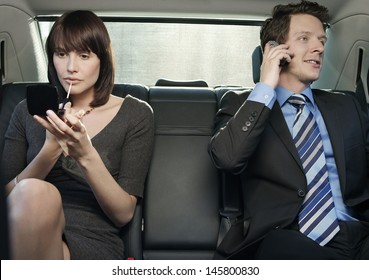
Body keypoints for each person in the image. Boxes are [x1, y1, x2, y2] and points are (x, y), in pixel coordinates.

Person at [209, 0, 369, 259]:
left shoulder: (346, 104)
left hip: (357, 236)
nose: (318, 48)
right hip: (285, 237)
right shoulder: (242, 104)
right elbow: (227, 158)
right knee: (284, 247)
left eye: (321, 40)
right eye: (304, 38)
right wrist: (265, 87)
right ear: (273, 50)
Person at [1, 10, 154, 259]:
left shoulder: (135, 114)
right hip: (23, 233)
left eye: (84, 56)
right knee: (34, 192)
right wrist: (50, 150)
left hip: (91, 239)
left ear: (102, 60)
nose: (71, 67)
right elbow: (7, 198)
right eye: (62, 54)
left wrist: (85, 154)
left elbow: (124, 214)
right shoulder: (26, 112)